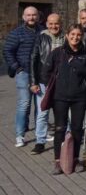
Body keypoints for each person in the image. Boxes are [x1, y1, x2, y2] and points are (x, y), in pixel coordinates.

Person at [41, 24, 86, 175]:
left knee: (77, 129)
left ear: (82, 36)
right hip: (60, 97)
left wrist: (79, 67)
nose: (75, 37)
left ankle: (75, 159)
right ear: (67, 35)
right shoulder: (57, 53)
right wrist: (55, 85)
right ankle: (58, 161)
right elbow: (45, 72)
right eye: (72, 34)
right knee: (60, 128)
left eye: (78, 35)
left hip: (80, 97)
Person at [3, 6, 42, 147]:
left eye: (34, 15)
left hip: (40, 73)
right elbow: (7, 51)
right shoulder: (17, 33)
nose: (31, 17)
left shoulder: (42, 31)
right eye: (28, 15)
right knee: (24, 104)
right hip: (24, 72)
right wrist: (17, 68)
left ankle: (40, 131)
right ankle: (20, 135)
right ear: (24, 17)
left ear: (38, 16)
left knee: (40, 105)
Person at [29, 13, 64, 153]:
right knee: (43, 112)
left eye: (56, 23)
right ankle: (40, 141)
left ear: (61, 23)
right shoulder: (41, 37)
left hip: (62, 82)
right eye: (50, 23)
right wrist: (33, 82)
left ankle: (62, 140)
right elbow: (33, 59)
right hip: (44, 81)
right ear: (47, 24)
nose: (53, 26)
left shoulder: (66, 37)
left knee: (61, 113)